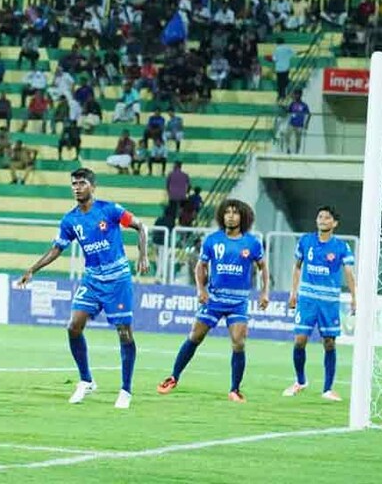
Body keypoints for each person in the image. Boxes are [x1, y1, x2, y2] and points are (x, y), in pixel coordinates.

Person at [17, 168, 149, 409]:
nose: (77, 187)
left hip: (118, 280)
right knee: (73, 326)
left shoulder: (110, 210)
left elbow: (141, 227)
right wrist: (32, 269)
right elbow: (57, 248)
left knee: (124, 333)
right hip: (92, 280)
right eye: (74, 184)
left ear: (93, 186)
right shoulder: (70, 220)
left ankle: (126, 390)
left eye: (82, 183)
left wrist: (143, 255)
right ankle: (86, 380)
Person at [157, 199, 269, 402]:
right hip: (214, 299)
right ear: (222, 216)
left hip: (238, 301)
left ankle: (234, 389)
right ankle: (173, 377)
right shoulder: (212, 240)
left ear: (242, 217)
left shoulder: (252, 243)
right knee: (194, 337)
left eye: (235, 212)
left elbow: (263, 268)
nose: (231, 216)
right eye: (227, 212)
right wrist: (200, 289)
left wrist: (264, 293)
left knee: (238, 343)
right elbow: (200, 266)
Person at [284, 205, 356, 401]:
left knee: (329, 343)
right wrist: (293, 292)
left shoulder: (342, 247)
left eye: (327, 217)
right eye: (320, 216)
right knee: (299, 340)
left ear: (334, 223)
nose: (322, 220)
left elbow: (349, 273)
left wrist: (354, 297)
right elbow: (297, 267)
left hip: (329, 302)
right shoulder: (306, 241)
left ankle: (328, 389)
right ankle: (300, 381)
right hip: (307, 299)